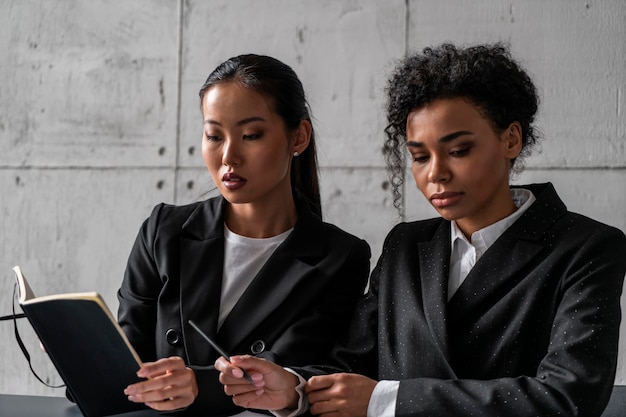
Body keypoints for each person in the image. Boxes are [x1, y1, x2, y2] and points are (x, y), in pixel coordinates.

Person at [215, 43, 626, 417]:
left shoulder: (585, 248)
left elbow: (570, 397)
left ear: (511, 139)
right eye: (419, 156)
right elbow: (349, 364)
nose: (436, 174)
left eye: (459, 150)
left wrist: (385, 400)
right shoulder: (407, 245)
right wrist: (293, 387)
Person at [117, 54, 371, 415]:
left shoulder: (339, 257)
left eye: (251, 135)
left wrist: (198, 386)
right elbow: (125, 358)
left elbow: (292, 373)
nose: (229, 156)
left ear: (298, 136)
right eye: (213, 136)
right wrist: (85, 353)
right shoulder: (163, 232)